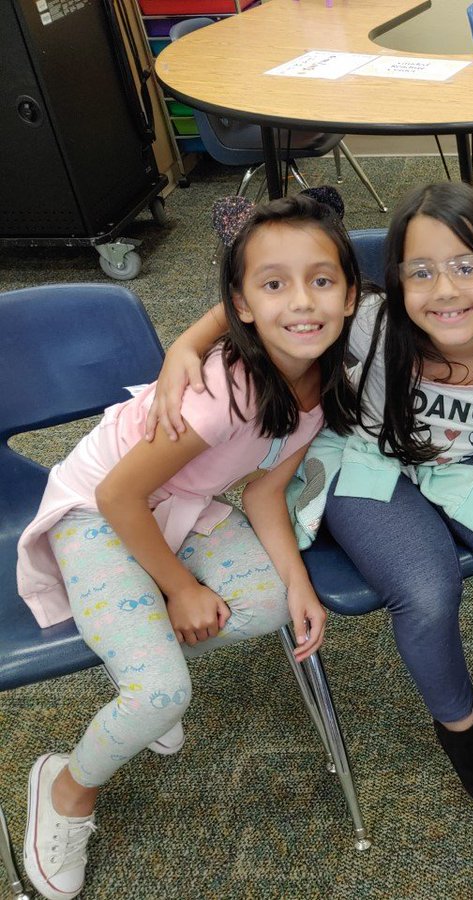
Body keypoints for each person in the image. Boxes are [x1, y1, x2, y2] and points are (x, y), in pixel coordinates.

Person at [147, 182, 473, 817]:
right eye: (421, 272)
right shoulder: (373, 324)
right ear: (397, 284)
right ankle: (461, 729)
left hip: (464, 463)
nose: (444, 290)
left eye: (468, 267)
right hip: (366, 461)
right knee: (428, 588)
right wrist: (184, 346)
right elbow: (251, 304)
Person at [17, 189, 360, 900]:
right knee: (162, 691)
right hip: (99, 508)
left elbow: (264, 493)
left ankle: (139, 670)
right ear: (241, 304)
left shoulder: (324, 379)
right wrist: (179, 588)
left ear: (351, 295)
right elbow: (117, 496)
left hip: (180, 500)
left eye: (321, 281)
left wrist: (297, 583)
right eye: (274, 286)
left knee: (266, 606)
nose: (302, 302)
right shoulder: (217, 395)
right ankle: (67, 788)